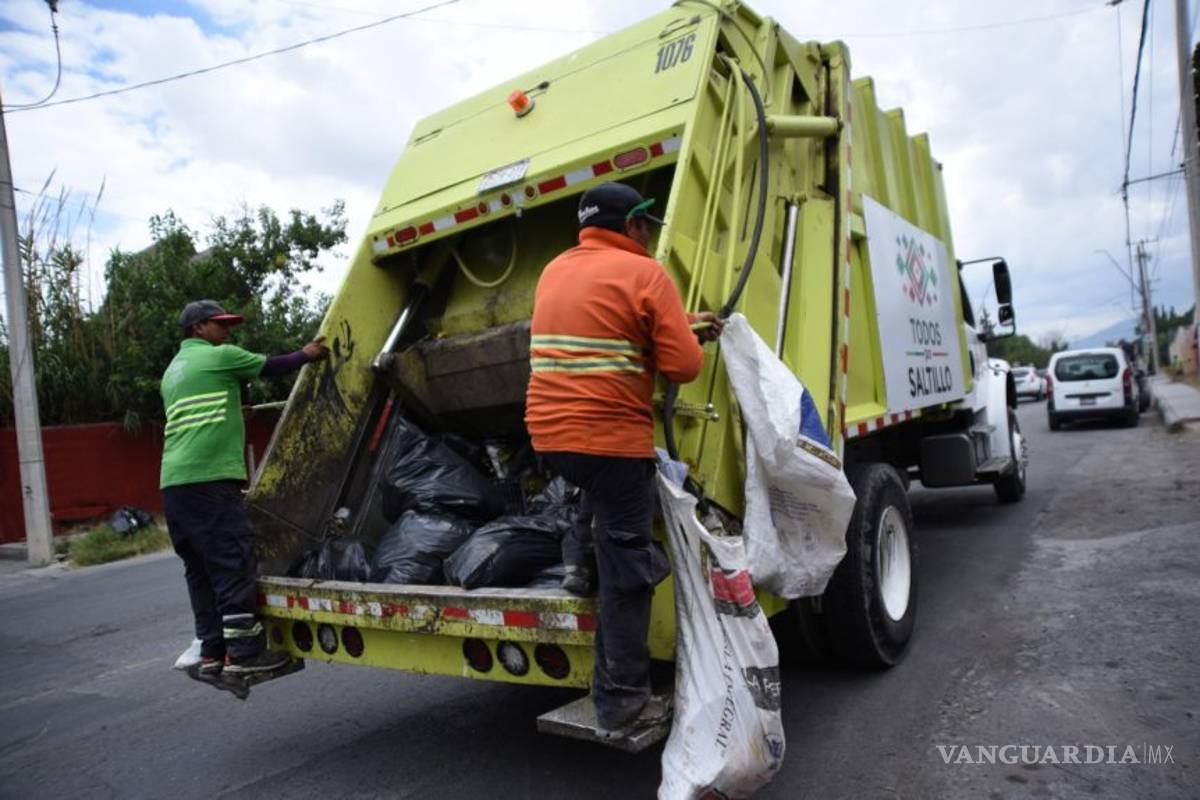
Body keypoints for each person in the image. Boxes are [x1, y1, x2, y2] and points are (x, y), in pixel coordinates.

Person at [525, 182, 722, 737]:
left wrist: (682, 323)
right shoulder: (646, 274)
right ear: (633, 225)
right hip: (611, 441)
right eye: (647, 227)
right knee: (628, 572)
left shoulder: (554, 269)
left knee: (596, 492)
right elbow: (683, 367)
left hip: (549, 436)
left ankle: (576, 559)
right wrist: (690, 337)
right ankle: (623, 700)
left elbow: (604, 328)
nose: (649, 238)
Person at [160, 300, 329, 676]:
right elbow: (270, 366)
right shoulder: (218, 357)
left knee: (200, 570)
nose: (228, 331)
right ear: (198, 328)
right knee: (232, 561)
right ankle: (243, 654)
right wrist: (308, 353)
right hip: (210, 480)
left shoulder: (173, 371)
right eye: (220, 324)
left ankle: (212, 651)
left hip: (174, 484)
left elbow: (205, 408)